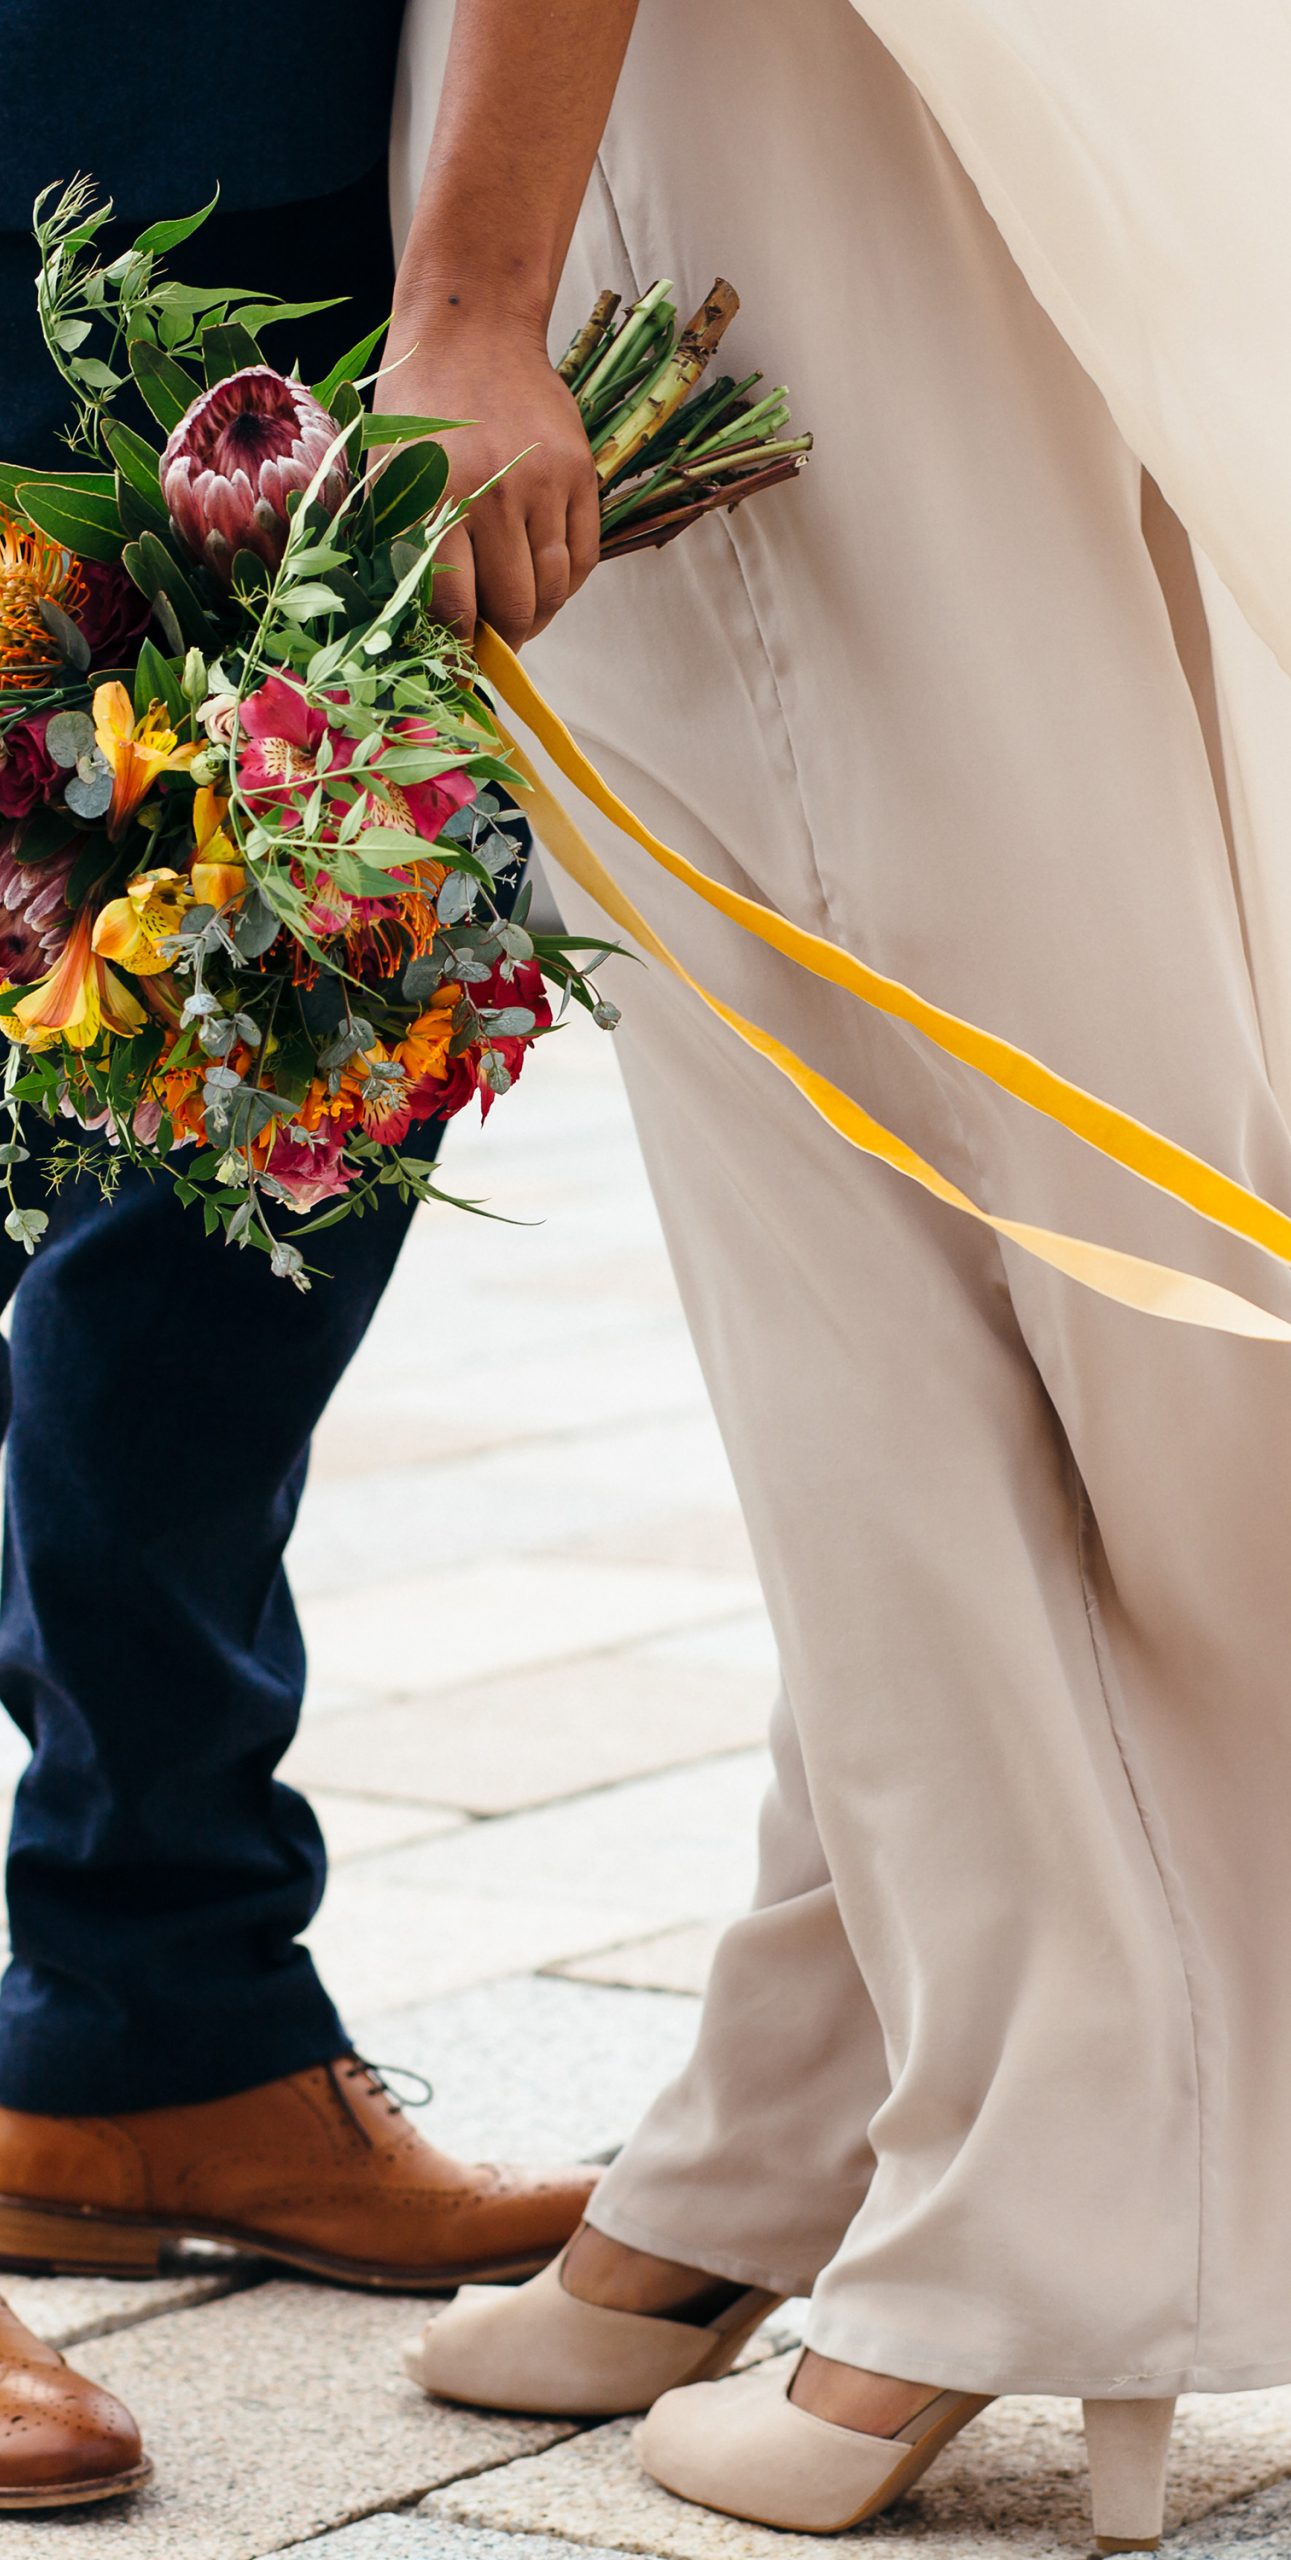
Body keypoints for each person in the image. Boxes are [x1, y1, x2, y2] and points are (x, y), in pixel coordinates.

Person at [0, 0, 593, 2510]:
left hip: (414, 152)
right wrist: (473, 290)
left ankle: (157, 2007)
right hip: (70, 116)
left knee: (313, 1068)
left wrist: (479, 273)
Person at [385, 0, 1291, 2546]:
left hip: (721, 135)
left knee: (877, 1212)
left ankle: (1037, 2218)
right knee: (1035, 1122)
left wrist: (471, 293)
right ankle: (787, 2121)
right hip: (951, 130)